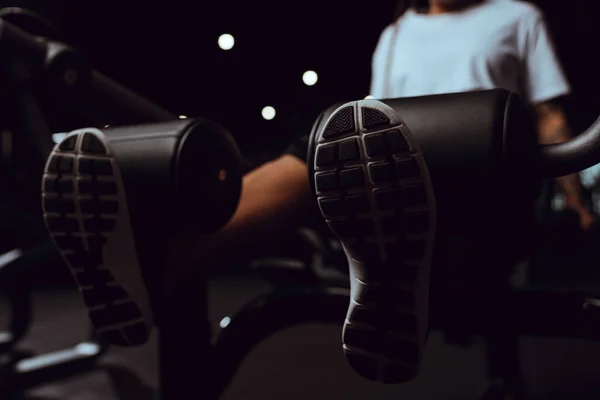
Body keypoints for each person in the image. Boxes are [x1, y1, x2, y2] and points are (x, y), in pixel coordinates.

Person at [40, 0, 596, 385]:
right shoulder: (397, 33)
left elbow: (548, 116)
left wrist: (572, 198)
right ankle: (159, 262)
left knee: (352, 156)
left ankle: (395, 265)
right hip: (403, 176)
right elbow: (375, 123)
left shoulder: (516, 17)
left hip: (485, 174)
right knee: (322, 148)